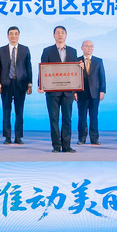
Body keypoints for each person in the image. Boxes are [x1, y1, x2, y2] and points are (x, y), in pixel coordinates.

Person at [38, 25, 78, 153]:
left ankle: (66, 145)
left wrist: (76, 89)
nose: (60, 35)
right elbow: (42, 69)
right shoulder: (47, 51)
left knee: (67, 119)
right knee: (54, 119)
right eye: (58, 32)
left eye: (62, 32)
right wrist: (40, 84)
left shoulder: (73, 51)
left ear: (66, 35)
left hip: (68, 91)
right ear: (54, 35)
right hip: (52, 91)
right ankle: (56, 146)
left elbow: (75, 71)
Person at [0, 26, 32, 145]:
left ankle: (18, 136)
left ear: (19, 35)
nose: (13, 36)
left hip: (20, 84)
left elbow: (28, 67)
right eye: (11, 34)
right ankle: (7, 137)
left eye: (16, 34)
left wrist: (29, 84)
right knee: (6, 111)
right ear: (8, 36)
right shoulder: (1, 50)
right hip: (6, 84)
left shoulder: (25, 49)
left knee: (19, 111)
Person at [76, 39, 105, 145]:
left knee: (94, 116)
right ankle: (82, 138)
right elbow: (73, 78)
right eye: (87, 46)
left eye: (91, 46)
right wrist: (74, 92)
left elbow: (102, 77)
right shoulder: (76, 60)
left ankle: (94, 139)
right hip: (81, 93)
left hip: (95, 93)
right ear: (82, 48)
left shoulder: (98, 61)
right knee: (82, 117)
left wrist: (102, 90)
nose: (89, 48)